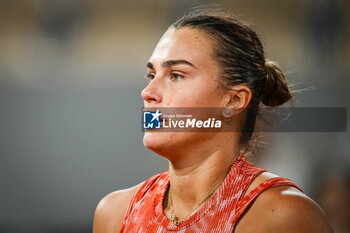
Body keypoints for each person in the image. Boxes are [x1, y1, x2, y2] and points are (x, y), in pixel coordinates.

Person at [93, 9, 333, 233]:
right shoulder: (114, 213)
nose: (148, 92)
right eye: (152, 75)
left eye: (176, 75)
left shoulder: (284, 216)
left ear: (234, 100)